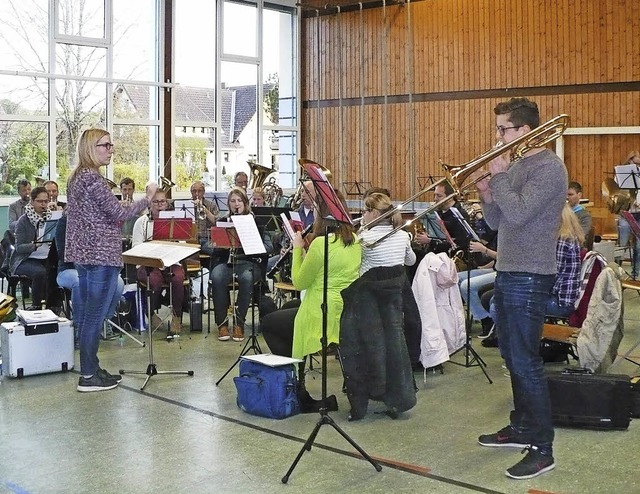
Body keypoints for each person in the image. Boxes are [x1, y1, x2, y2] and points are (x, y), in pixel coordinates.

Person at [476, 97, 567, 479]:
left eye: (502, 129)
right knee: (512, 358)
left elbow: (519, 211)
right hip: (510, 269)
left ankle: (542, 448)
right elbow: (499, 221)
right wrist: (486, 193)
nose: (497, 136)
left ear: (523, 131)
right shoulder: (517, 166)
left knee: (527, 362)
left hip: (531, 274)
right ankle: (522, 426)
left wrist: (498, 178)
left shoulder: (549, 168)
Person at [66, 128, 156, 393]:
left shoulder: (76, 178)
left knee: (89, 314)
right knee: (94, 316)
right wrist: (147, 198)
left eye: (111, 145)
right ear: (91, 148)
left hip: (85, 255)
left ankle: (91, 367)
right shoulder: (91, 179)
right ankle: (89, 375)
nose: (111, 149)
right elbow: (120, 212)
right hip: (99, 256)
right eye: (105, 145)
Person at [261, 190, 360, 406]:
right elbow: (322, 271)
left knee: (269, 324)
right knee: (290, 305)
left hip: (322, 310)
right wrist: (307, 255)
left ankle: (296, 385)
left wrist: (297, 250)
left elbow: (299, 282)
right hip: (343, 307)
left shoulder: (321, 244)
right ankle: (298, 378)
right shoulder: (353, 239)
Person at [209, 187, 272, 342]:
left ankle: (239, 323)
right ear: (228, 204)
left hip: (248, 262)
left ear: (245, 203)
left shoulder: (256, 222)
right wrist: (217, 244)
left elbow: (269, 247)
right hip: (227, 262)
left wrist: (254, 245)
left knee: (247, 278)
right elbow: (210, 245)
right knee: (217, 276)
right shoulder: (223, 222)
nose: (236, 204)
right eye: (232, 201)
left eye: (239, 201)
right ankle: (222, 323)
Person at [55, 212, 125, 343]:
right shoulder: (64, 223)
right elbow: (63, 253)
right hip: (67, 270)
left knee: (119, 282)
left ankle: (104, 321)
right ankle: (79, 327)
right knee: (79, 281)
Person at [132, 189, 186, 334]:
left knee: (178, 278)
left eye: (162, 201)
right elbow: (136, 246)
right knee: (154, 281)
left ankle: (177, 316)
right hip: (148, 263)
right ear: (149, 204)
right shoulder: (141, 222)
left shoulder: (175, 220)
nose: (159, 205)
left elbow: (183, 242)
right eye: (155, 202)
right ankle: (150, 313)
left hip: (170, 261)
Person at [10, 186, 56, 309]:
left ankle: (54, 306)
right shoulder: (23, 221)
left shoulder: (52, 218)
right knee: (39, 272)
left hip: (46, 258)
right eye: (40, 201)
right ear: (32, 201)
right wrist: (34, 245)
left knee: (57, 270)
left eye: (46, 201)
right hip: (25, 259)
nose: (43, 204)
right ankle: (36, 306)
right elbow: (19, 248)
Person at [546, 204, 584, 318]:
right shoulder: (570, 237)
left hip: (560, 303)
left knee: (499, 304)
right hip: (564, 299)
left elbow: (551, 275)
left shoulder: (562, 241)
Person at [190, 180, 219, 256]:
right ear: (191, 192)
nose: (196, 194)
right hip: (190, 240)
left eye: (199, 191)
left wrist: (204, 209)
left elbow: (217, 223)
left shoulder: (211, 205)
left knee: (216, 251)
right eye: (194, 191)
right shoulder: (186, 205)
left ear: (203, 192)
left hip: (206, 239)